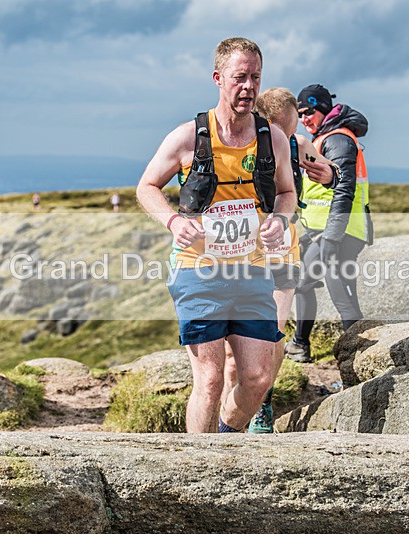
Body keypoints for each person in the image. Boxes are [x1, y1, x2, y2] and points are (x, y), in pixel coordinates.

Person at [136, 38, 296, 433]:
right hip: (199, 269)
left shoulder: (272, 138)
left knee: (258, 378)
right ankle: (198, 471)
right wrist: (174, 221)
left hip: (252, 269)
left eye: (255, 78)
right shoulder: (189, 136)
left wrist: (280, 219)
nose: (248, 87)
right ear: (218, 79)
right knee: (209, 379)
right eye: (239, 77)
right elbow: (146, 187)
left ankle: (225, 438)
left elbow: (288, 193)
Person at [221, 87, 336, 432]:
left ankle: (261, 405)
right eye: (284, 129)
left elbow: (329, 171)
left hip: (283, 251)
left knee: (272, 334)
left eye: (293, 128)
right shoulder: (246, 143)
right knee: (231, 350)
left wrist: (328, 174)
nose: (290, 136)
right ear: (267, 122)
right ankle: (228, 413)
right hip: (243, 253)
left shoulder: (297, 144)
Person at [285, 84, 373, 363]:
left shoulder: (337, 140)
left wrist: (332, 237)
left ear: (323, 109)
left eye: (309, 111)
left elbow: (344, 189)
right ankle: (301, 344)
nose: (304, 118)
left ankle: (359, 356)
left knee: (341, 293)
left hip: (341, 230)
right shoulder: (325, 137)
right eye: (300, 114)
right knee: (304, 284)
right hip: (324, 231)